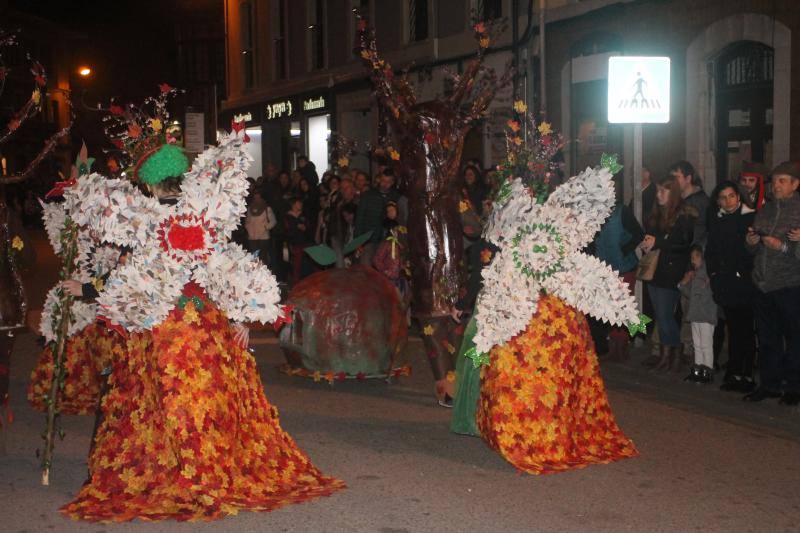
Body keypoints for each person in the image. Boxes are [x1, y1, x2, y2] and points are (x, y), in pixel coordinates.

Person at [743, 161, 800, 405]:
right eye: (774, 180)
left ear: (795, 184)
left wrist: (784, 247)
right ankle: (769, 384)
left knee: (794, 339)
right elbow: (751, 250)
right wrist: (751, 242)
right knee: (767, 338)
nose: (776, 185)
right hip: (763, 285)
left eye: (782, 181)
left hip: (789, 285)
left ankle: (793, 388)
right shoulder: (765, 210)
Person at [639, 175, 695, 372]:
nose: (658, 194)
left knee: (665, 316)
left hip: (671, 271)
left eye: (663, 191)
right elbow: (655, 236)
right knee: (661, 316)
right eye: (658, 190)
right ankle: (667, 354)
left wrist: (659, 242)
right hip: (656, 270)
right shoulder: (658, 214)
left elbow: (683, 243)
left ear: (673, 193)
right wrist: (648, 243)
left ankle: (673, 353)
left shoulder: (683, 215)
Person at [705, 180, 757, 392]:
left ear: (738, 196)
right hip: (725, 282)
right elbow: (712, 251)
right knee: (733, 328)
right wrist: (714, 274)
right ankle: (734, 371)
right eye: (723, 197)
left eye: (731, 196)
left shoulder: (750, 217)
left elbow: (750, 251)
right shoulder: (717, 221)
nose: (728, 201)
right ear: (718, 201)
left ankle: (745, 374)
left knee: (745, 329)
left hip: (744, 282)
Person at [592, 196, 644, 361]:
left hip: (624, 267)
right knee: (611, 308)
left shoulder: (621, 211)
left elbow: (638, 234)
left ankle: (623, 345)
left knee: (624, 306)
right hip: (605, 268)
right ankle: (614, 345)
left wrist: (624, 249)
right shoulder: (593, 213)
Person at [679, 245, 717, 383]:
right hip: (695, 314)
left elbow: (709, 295)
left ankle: (707, 370)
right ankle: (698, 369)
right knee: (697, 344)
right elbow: (691, 295)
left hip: (706, 315)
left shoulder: (708, 274)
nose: (692, 261)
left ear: (701, 257)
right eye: (691, 258)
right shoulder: (695, 275)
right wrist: (683, 284)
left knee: (706, 344)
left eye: (694, 258)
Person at [355, 168, 400, 266]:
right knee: (366, 268)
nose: (385, 184)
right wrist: (358, 241)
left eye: (388, 182)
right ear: (379, 179)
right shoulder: (368, 195)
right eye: (383, 180)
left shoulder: (396, 196)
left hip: (389, 241)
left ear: (392, 182)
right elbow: (359, 219)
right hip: (369, 239)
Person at [669, 160, 709, 245]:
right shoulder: (676, 197)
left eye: (677, 177)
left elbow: (701, 232)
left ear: (688, 178)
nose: (673, 182)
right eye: (672, 178)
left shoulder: (700, 201)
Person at [244, 190, 277, 267]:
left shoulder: (267, 208)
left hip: (263, 236)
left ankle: (265, 274)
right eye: (255, 198)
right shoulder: (250, 209)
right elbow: (247, 220)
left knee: (263, 257)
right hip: (252, 236)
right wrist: (248, 228)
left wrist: (265, 227)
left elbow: (273, 221)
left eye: (259, 198)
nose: (257, 199)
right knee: (254, 257)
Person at [284, 197, 311, 285]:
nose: (301, 205)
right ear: (293, 204)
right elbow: (287, 230)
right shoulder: (288, 216)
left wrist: (305, 228)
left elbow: (309, 226)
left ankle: (306, 282)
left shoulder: (303, 215)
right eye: (299, 203)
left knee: (306, 263)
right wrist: (296, 227)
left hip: (305, 242)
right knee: (296, 265)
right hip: (295, 243)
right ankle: (296, 284)